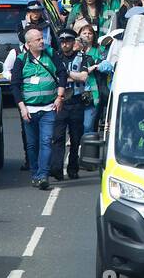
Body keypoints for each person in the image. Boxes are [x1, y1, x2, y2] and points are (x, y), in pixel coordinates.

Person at [11, 28, 65, 189]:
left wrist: (59, 97)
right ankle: (35, 173)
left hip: (48, 108)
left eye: (42, 38)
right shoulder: (21, 60)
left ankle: (43, 175)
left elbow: (62, 73)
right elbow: (15, 85)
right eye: (37, 40)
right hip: (29, 110)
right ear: (28, 44)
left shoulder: (51, 55)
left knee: (46, 141)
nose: (41, 41)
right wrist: (22, 108)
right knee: (32, 145)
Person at [50, 31, 91, 181]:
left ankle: (73, 168)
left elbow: (84, 76)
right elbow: (54, 76)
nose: (65, 44)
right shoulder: (55, 58)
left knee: (75, 138)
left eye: (68, 41)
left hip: (76, 102)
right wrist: (70, 75)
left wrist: (65, 73)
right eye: (62, 41)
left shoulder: (83, 58)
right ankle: (57, 169)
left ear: (74, 42)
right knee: (58, 137)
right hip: (60, 102)